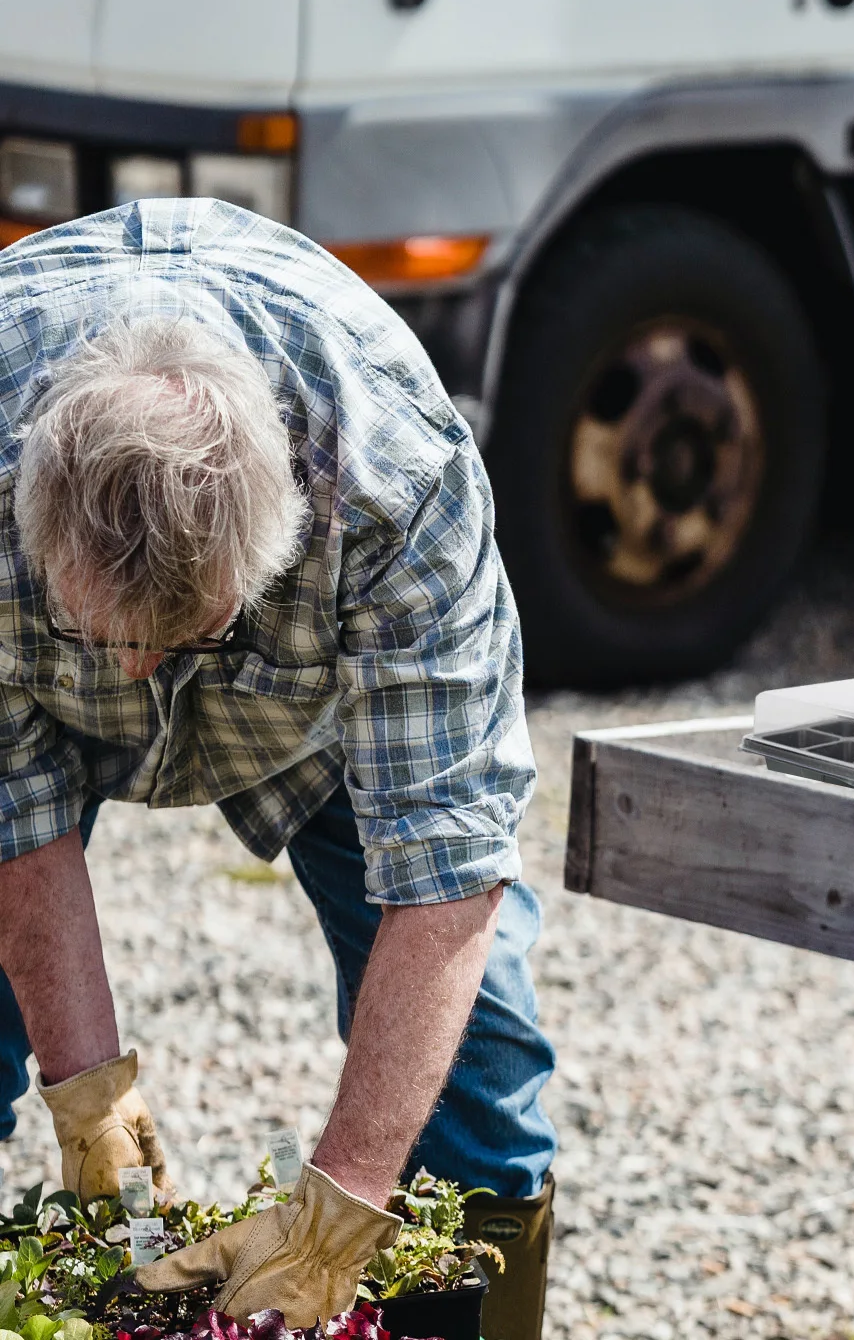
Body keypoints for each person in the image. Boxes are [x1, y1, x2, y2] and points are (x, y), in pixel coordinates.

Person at [0, 199, 555, 1334]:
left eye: (180, 634)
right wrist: (94, 1103)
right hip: (37, 687)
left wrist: (338, 1212)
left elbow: (450, 860)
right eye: (114, 637)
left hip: (313, 714)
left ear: (279, 540)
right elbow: (13, 808)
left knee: (481, 1087)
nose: (145, 666)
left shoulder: (397, 493)